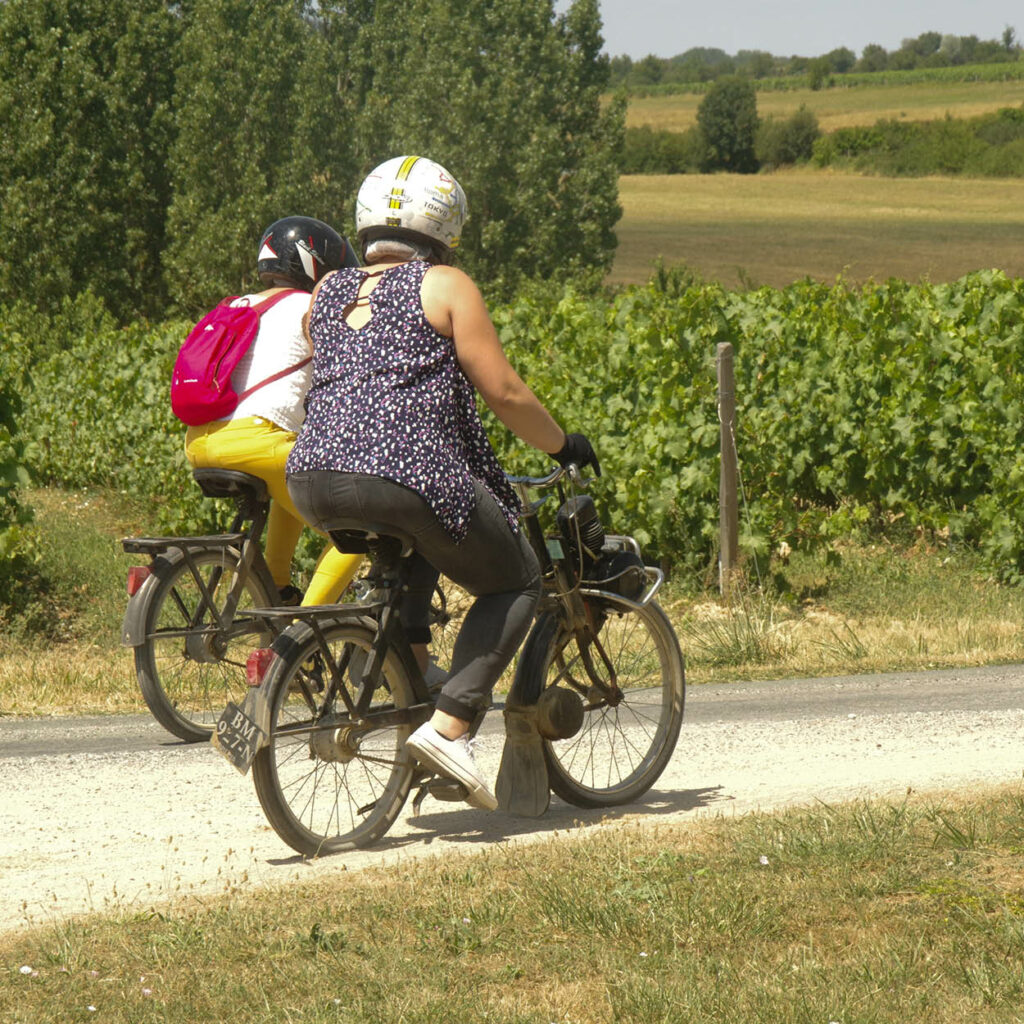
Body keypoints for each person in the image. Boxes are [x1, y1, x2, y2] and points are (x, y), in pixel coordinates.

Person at [286, 156, 600, 810]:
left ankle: (408, 692)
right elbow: (505, 393)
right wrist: (565, 443)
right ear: (445, 223)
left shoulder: (327, 292)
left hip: (312, 473)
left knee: (413, 560)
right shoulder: (445, 284)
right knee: (514, 581)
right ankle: (451, 729)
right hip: (405, 474)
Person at [184, 216, 364, 606]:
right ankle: (302, 633)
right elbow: (349, 375)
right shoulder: (313, 308)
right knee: (360, 530)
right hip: (257, 442)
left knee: (298, 484)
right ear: (318, 264)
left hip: (199, 442)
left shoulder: (237, 305)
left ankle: (279, 590)